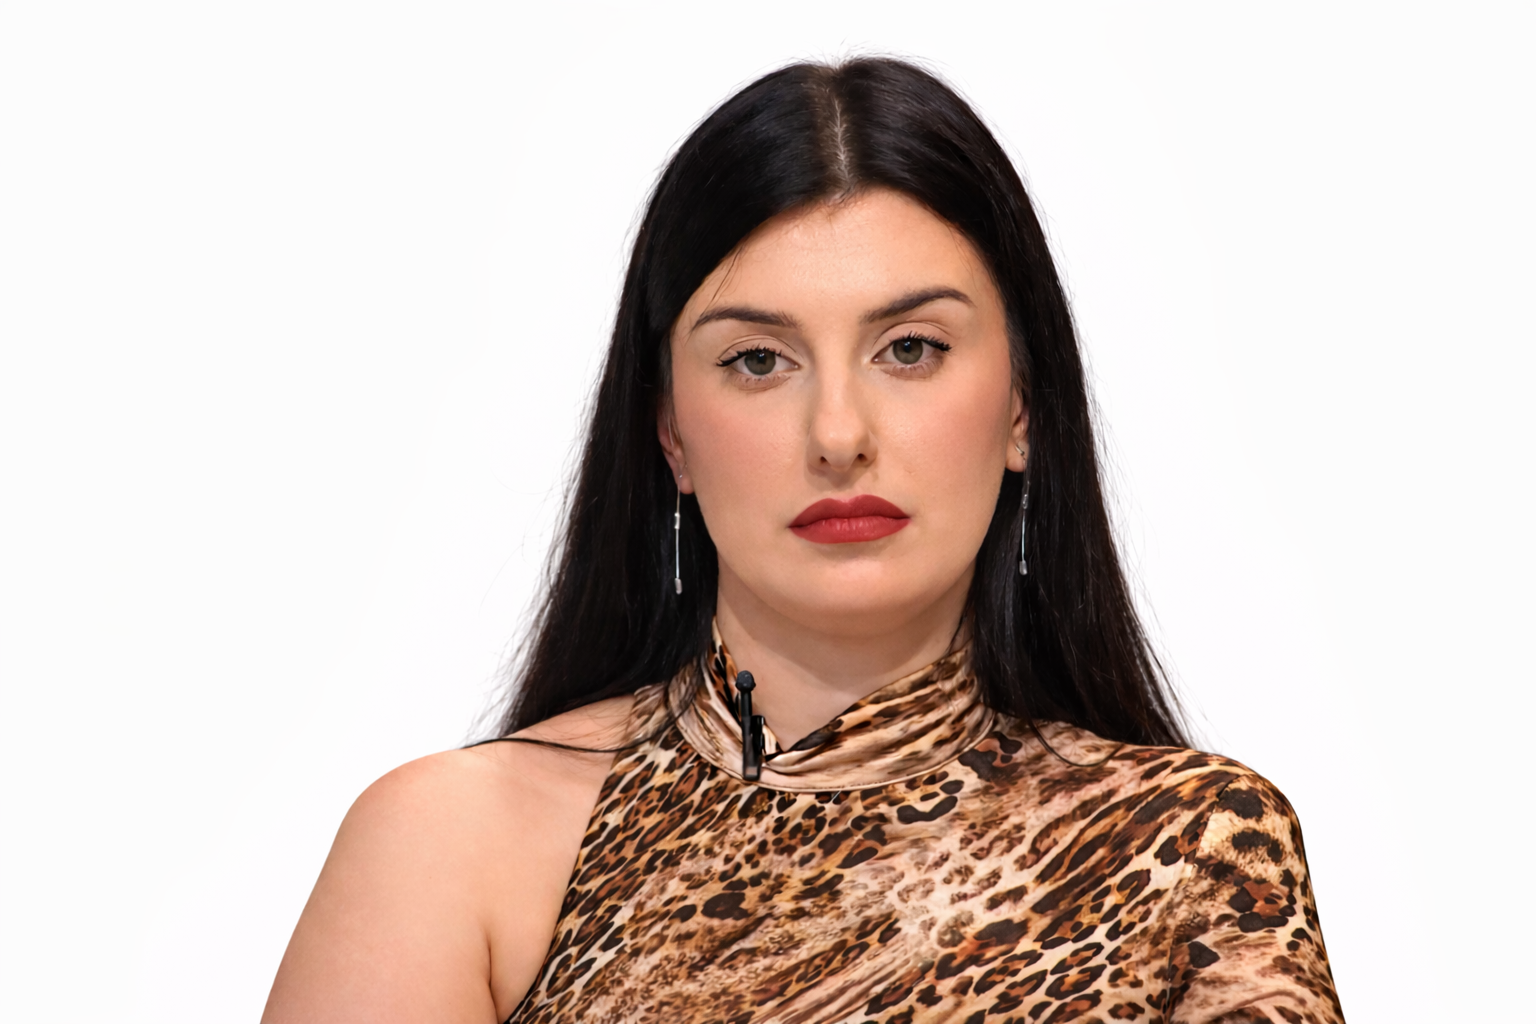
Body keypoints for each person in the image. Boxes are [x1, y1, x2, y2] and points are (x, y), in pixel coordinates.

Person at [262, 58, 1344, 1024]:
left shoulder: (1190, 849)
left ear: (1022, 406)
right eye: (757, 361)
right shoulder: (452, 848)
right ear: (670, 433)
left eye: (910, 348)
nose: (838, 434)